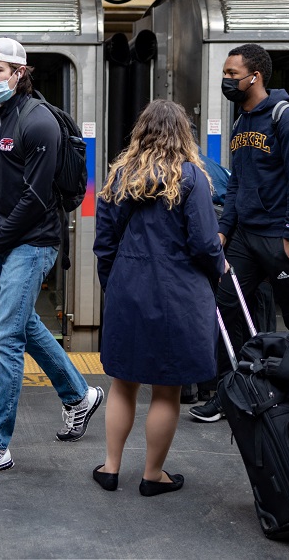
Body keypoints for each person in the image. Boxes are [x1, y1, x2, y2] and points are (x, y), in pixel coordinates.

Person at [0, 38, 103, 478]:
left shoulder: (39, 121)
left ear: (20, 72)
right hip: (2, 241)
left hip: (34, 242)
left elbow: (35, 197)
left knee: (6, 337)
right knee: (23, 324)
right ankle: (79, 396)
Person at [92, 100, 226, 496]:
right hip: (178, 295)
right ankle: (153, 475)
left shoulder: (119, 176)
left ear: (141, 131)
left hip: (127, 288)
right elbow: (204, 243)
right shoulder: (191, 178)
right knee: (166, 390)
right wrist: (219, 267)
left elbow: (104, 245)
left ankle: (111, 468)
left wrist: (113, 285)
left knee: (123, 383)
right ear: (183, 134)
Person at [190, 43, 289, 423]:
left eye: (232, 74)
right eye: (226, 74)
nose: (227, 80)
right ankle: (229, 393)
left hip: (281, 237)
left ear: (254, 76)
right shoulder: (241, 121)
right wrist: (226, 230)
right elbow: (238, 183)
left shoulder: (285, 117)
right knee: (225, 307)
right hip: (245, 237)